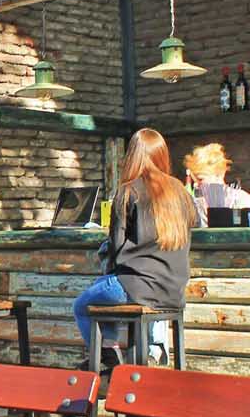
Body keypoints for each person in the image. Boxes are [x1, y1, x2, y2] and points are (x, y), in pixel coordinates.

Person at [72, 128, 197, 371]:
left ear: (132, 156)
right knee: (104, 292)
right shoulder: (181, 192)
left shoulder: (128, 191)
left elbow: (116, 247)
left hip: (134, 286)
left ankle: (109, 358)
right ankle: (117, 359)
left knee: (83, 305)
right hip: (173, 292)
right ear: (162, 155)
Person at [183, 142, 250, 222]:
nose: (196, 185)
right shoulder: (194, 204)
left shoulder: (242, 200)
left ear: (219, 174)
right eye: (195, 180)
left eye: (201, 179)